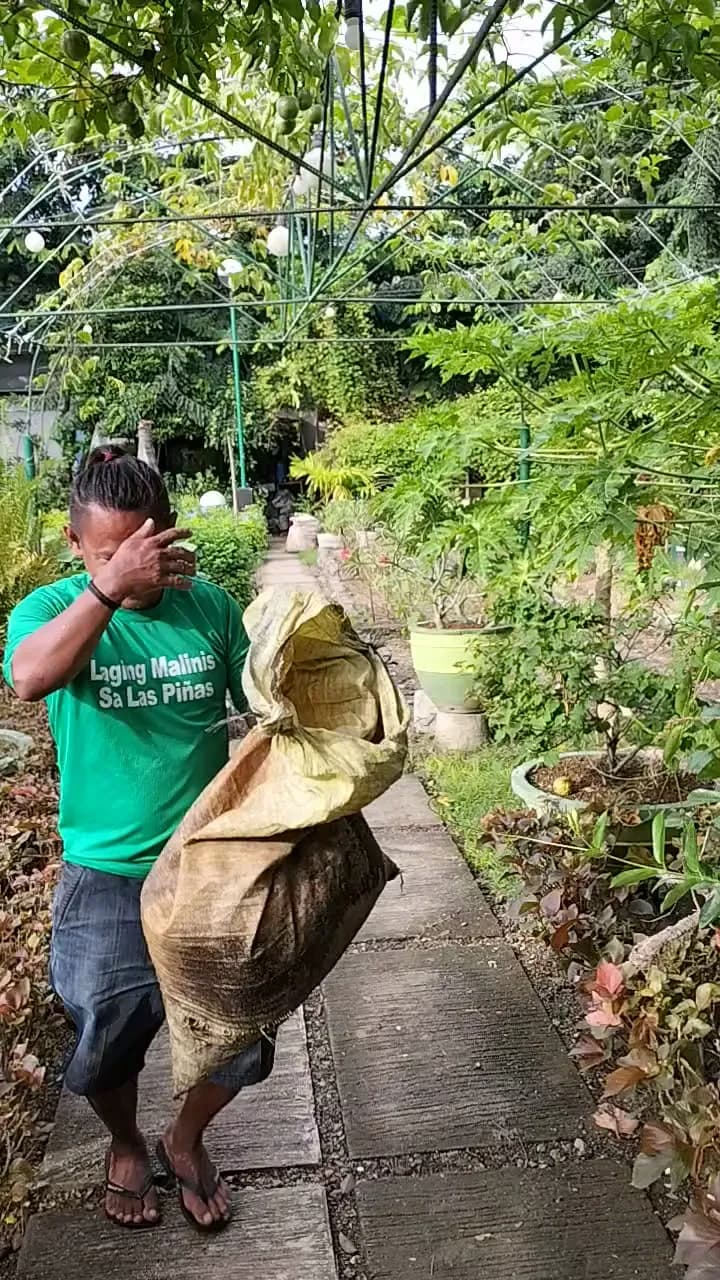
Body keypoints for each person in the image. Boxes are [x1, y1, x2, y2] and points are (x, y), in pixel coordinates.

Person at [2, 447, 274, 1233]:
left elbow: (264, 704)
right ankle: (123, 1142)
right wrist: (106, 592)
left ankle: (182, 1139)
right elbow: (29, 678)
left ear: (169, 531)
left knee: (243, 1032)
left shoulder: (207, 606)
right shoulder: (52, 608)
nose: (132, 570)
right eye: (106, 554)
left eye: (142, 549)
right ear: (74, 543)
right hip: (105, 871)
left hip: (207, 866)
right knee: (105, 1034)